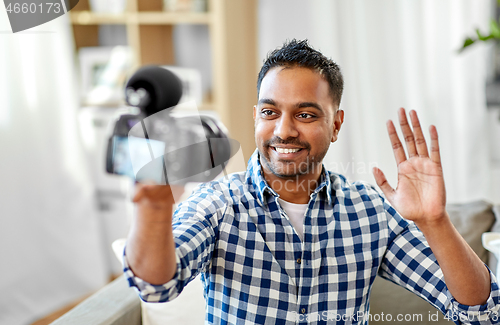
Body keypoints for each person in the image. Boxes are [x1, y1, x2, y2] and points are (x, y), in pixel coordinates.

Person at [123, 39, 500, 324]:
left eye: (305, 114)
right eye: (270, 112)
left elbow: (482, 312)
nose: (283, 131)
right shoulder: (217, 202)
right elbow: (156, 286)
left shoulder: (371, 211)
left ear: (336, 124)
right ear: (256, 116)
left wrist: (435, 222)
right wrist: (155, 205)